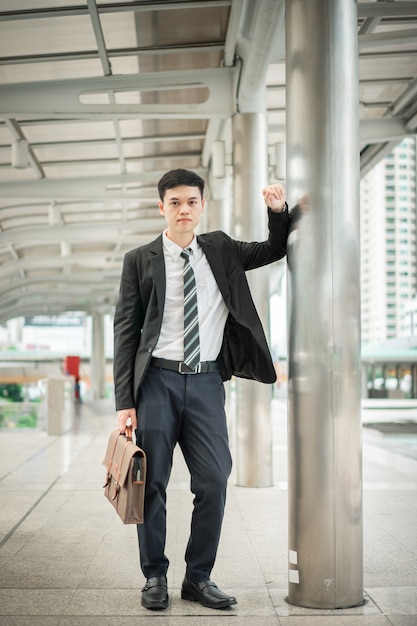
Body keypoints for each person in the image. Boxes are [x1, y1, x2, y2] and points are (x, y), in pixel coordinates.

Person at [113, 168, 288, 611]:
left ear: (202, 205)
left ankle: (198, 576)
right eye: (175, 202)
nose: (184, 209)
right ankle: (154, 575)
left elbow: (273, 249)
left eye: (191, 201)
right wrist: (124, 403)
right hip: (156, 382)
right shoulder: (140, 259)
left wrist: (277, 211)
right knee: (151, 481)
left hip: (208, 380)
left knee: (213, 479)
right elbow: (126, 332)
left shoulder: (222, 249)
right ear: (162, 208)